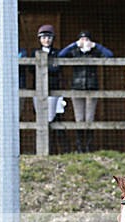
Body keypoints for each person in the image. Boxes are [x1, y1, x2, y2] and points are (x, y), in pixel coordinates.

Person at [58, 30, 113, 152]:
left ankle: (88, 146)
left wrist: (95, 45)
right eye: (82, 39)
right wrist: (74, 45)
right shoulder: (75, 51)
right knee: (79, 118)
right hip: (76, 87)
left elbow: (110, 55)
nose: (84, 42)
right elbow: (61, 55)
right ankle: (79, 146)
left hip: (92, 87)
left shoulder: (94, 52)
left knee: (89, 118)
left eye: (87, 39)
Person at [31, 25, 68, 153]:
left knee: (54, 119)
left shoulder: (57, 53)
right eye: (44, 37)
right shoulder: (35, 53)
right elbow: (32, 69)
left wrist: (46, 68)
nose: (46, 40)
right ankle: (43, 149)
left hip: (53, 89)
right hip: (39, 90)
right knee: (41, 119)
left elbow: (57, 69)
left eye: (49, 37)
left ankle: (58, 150)